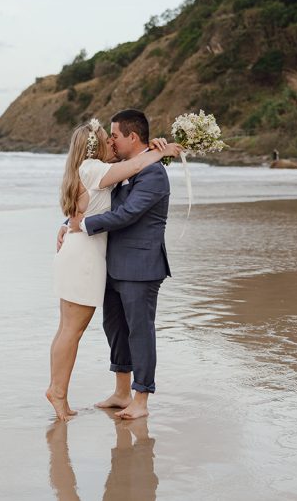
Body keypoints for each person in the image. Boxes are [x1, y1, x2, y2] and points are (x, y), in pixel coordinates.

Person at [47, 117, 181, 421]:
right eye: (108, 137)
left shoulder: (153, 173)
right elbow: (93, 201)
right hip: (106, 263)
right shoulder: (111, 170)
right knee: (115, 331)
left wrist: (81, 225)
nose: (112, 141)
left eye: (116, 136)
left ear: (132, 138)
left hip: (139, 266)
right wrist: (70, 224)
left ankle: (141, 398)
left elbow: (127, 213)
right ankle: (120, 392)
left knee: (139, 332)